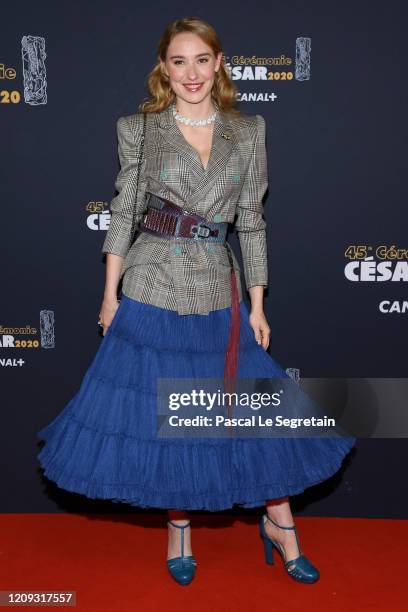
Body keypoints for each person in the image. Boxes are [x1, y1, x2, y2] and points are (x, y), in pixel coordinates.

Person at [36, 17, 356, 587]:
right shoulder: (139, 129)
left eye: (201, 59)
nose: (191, 72)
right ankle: (178, 525)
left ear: (218, 63)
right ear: (164, 69)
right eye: (178, 61)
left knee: (250, 415)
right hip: (152, 284)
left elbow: (252, 222)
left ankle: (280, 524)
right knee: (168, 416)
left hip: (217, 286)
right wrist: (108, 295)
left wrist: (258, 305)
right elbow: (124, 212)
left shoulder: (248, 129)